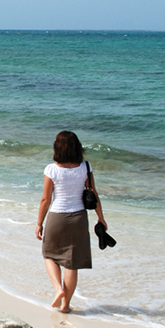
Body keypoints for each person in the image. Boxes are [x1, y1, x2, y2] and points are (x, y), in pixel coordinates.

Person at [36, 131, 107, 313]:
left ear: (57, 147)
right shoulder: (85, 167)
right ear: (77, 146)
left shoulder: (51, 169)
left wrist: (39, 223)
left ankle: (58, 289)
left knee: (49, 254)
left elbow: (45, 199)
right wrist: (101, 217)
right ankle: (66, 306)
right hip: (79, 218)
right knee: (71, 262)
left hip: (57, 217)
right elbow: (94, 194)